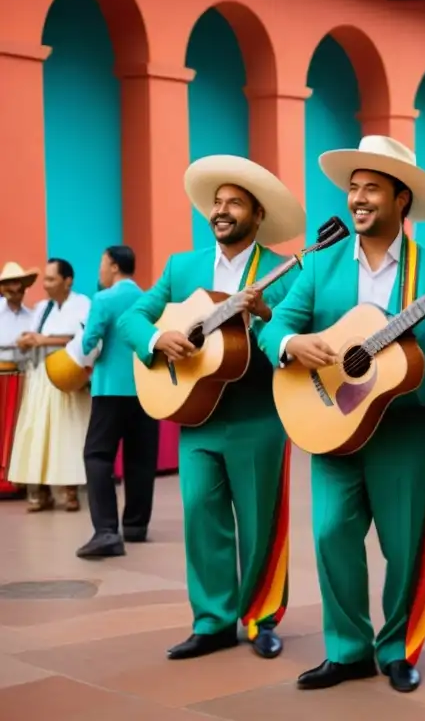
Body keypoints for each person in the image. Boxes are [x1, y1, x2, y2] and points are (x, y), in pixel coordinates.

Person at [258, 135, 425, 694]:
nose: (357, 198)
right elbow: (273, 326)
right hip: (330, 417)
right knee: (331, 532)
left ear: (401, 200)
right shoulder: (322, 264)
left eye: (371, 188)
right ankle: (347, 649)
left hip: (404, 422)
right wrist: (292, 347)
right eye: (353, 188)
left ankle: (399, 648)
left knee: (404, 543)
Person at [120, 155, 304, 660]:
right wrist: (159, 339)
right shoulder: (183, 267)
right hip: (195, 413)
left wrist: (264, 318)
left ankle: (263, 617)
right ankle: (212, 620)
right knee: (201, 515)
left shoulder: (283, 274)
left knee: (261, 521)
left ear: (257, 215)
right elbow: (135, 315)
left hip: (258, 417)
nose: (222, 211)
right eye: (217, 203)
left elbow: (290, 343)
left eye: (235, 203)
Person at [76, 245, 159, 558]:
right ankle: (136, 526)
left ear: (112, 266)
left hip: (110, 390)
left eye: (101, 263)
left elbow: (89, 343)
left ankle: (106, 530)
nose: (100, 269)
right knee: (140, 458)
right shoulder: (151, 299)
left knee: (97, 455)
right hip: (147, 390)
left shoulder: (104, 299)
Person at [8, 258, 92, 511]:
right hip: (40, 378)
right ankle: (41, 491)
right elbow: (33, 335)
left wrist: (43, 340)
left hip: (67, 377)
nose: (45, 284)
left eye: (51, 279)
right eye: (45, 279)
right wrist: (26, 340)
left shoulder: (82, 304)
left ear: (68, 281)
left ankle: (70, 491)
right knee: (38, 434)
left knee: (67, 433)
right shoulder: (42, 307)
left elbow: (83, 337)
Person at [0, 261, 39, 499]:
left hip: (22, 377)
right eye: (9, 285)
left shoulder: (31, 317)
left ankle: (17, 480)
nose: (15, 289)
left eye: (18, 284)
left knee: (18, 429)